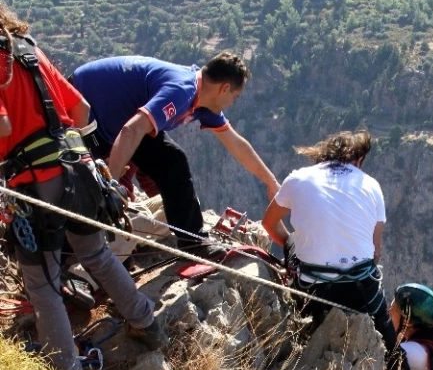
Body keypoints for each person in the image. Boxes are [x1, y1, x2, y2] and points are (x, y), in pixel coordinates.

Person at [0, 2, 165, 370]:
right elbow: (82, 109)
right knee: (97, 254)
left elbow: (3, 127)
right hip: (78, 170)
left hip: (34, 182)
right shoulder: (28, 51)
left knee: (42, 284)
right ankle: (146, 323)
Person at [70, 52, 279, 247]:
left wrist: (270, 181)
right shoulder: (182, 90)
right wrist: (110, 185)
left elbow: (236, 144)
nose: (232, 103)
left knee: (173, 161)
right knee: (80, 188)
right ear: (224, 88)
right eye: (235, 96)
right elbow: (131, 129)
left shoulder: (202, 103)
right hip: (83, 107)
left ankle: (193, 242)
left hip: (119, 120)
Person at [261, 129, 397, 350]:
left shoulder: (298, 178)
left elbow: (268, 223)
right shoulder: (371, 185)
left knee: (294, 240)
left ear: (323, 155)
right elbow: (376, 251)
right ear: (359, 160)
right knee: (390, 343)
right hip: (360, 291)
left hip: (314, 290)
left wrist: (291, 243)